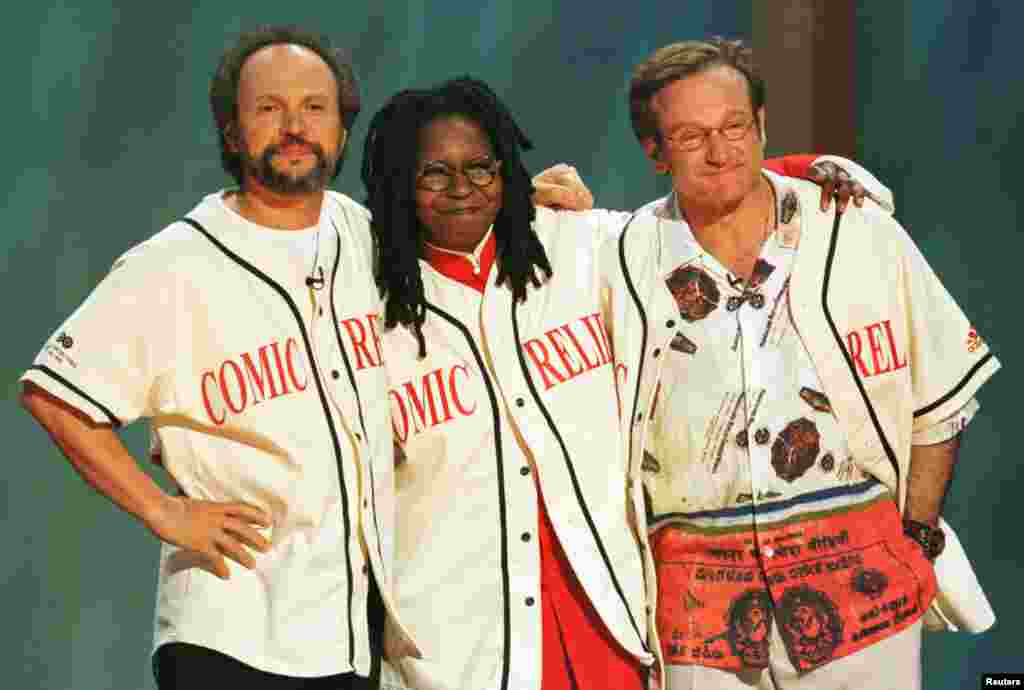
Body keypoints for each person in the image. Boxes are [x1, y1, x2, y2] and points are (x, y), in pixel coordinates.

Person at [361, 76, 888, 690]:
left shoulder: (577, 244)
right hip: (457, 644)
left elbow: (695, 214)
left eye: (481, 168)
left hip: (603, 617)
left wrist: (808, 171)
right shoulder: (367, 305)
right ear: (400, 183)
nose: (462, 190)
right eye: (434, 174)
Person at [19, 25, 415, 689]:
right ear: (232, 133)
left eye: (315, 108)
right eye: (268, 108)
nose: (294, 125)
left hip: (347, 631)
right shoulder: (172, 265)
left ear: (342, 131)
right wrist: (163, 510)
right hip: (229, 629)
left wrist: (545, 210)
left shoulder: (362, 233)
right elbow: (53, 394)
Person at [602, 37, 999, 689]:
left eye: (735, 127)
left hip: (864, 609)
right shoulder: (618, 259)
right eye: (691, 135)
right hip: (696, 622)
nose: (721, 151)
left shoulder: (856, 230)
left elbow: (941, 402)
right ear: (653, 151)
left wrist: (917, 538)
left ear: (761, 125)